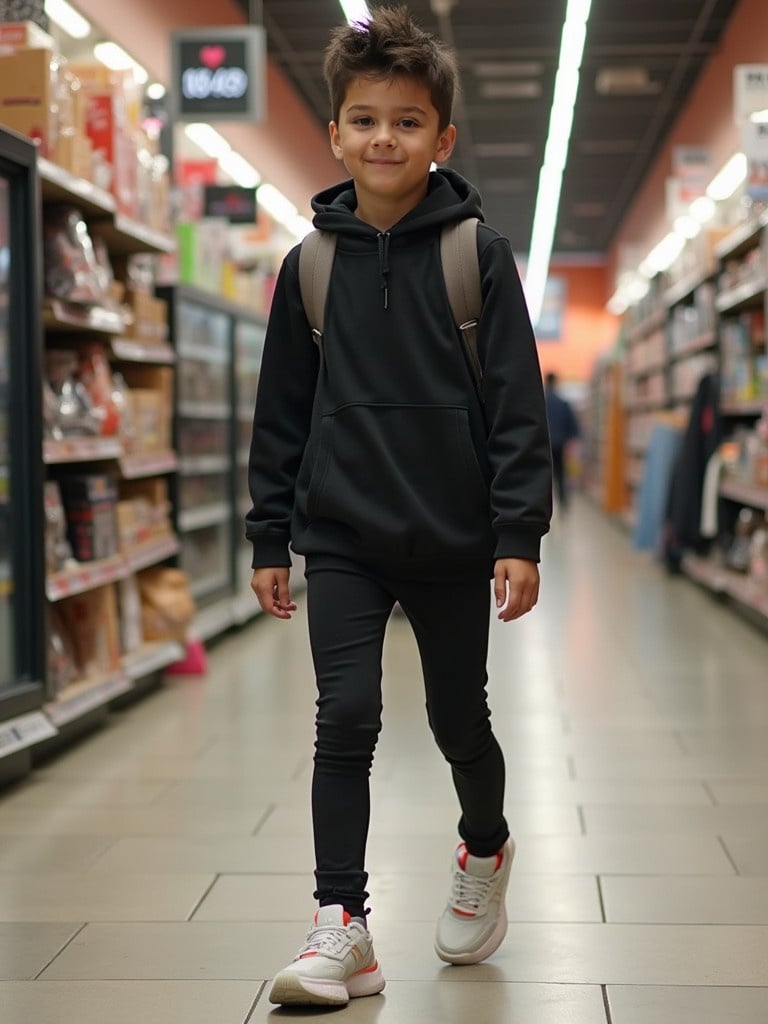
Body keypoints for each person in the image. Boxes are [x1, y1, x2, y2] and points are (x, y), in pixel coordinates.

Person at [245, 5, 552, 1009]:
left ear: (442, 138)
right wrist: (270, 535)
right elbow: (281, 412)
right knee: (349, 715)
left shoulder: (480, 255)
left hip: (455, 535)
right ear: (334, 134)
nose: (385, 138)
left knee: (461, 719)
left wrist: (518, 533)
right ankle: (344, 925)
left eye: (408, 121)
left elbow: (515, 407)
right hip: (342, 533)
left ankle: (485, 847)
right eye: (365, 119)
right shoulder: (310, 265)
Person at [543, 371, 580, 511]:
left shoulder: (539, 401)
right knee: (560, 474)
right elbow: (572, 426)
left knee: (544, 475)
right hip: (559, 444)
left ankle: (544, 503)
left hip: (542, 445)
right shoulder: (563, 403)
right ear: (556, 383)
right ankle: (562, 502)